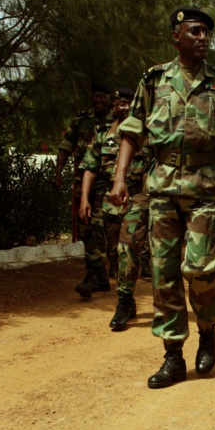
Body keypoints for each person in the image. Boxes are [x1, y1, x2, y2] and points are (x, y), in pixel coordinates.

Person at [110, 7, 215, 389]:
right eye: (195, 31)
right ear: (177, 37)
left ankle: (207, 329)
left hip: (205, 188)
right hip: (161, 188)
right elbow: (131, 131)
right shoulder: (155, 80)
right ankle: (173, 356)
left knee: (200, 269)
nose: (203, 37)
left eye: (207, 32)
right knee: (164, 275)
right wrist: (120, 178)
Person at [78, 88, 149, 331]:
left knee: (128, 248)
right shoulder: (103, 135)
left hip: (138, 195)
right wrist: (84, 200)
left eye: (128, 103)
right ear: (114, 106)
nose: (124, 107)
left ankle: (123, 302)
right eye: (119, 103)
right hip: (111, 198)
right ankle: (128, 300)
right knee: (113, 254)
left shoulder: (147, 133)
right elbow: (90, 167)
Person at [55, 82, 115, 297]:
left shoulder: (118, 120)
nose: (98, 100)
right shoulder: (81, 120)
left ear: (110, 98)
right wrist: (59, 172)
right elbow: (65, 147)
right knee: (85, 227)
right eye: (95, 96)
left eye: (102, 96)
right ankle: (100, 277)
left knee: (97, 228)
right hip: (83, 181)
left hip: (107, 182)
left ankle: (91, 277)